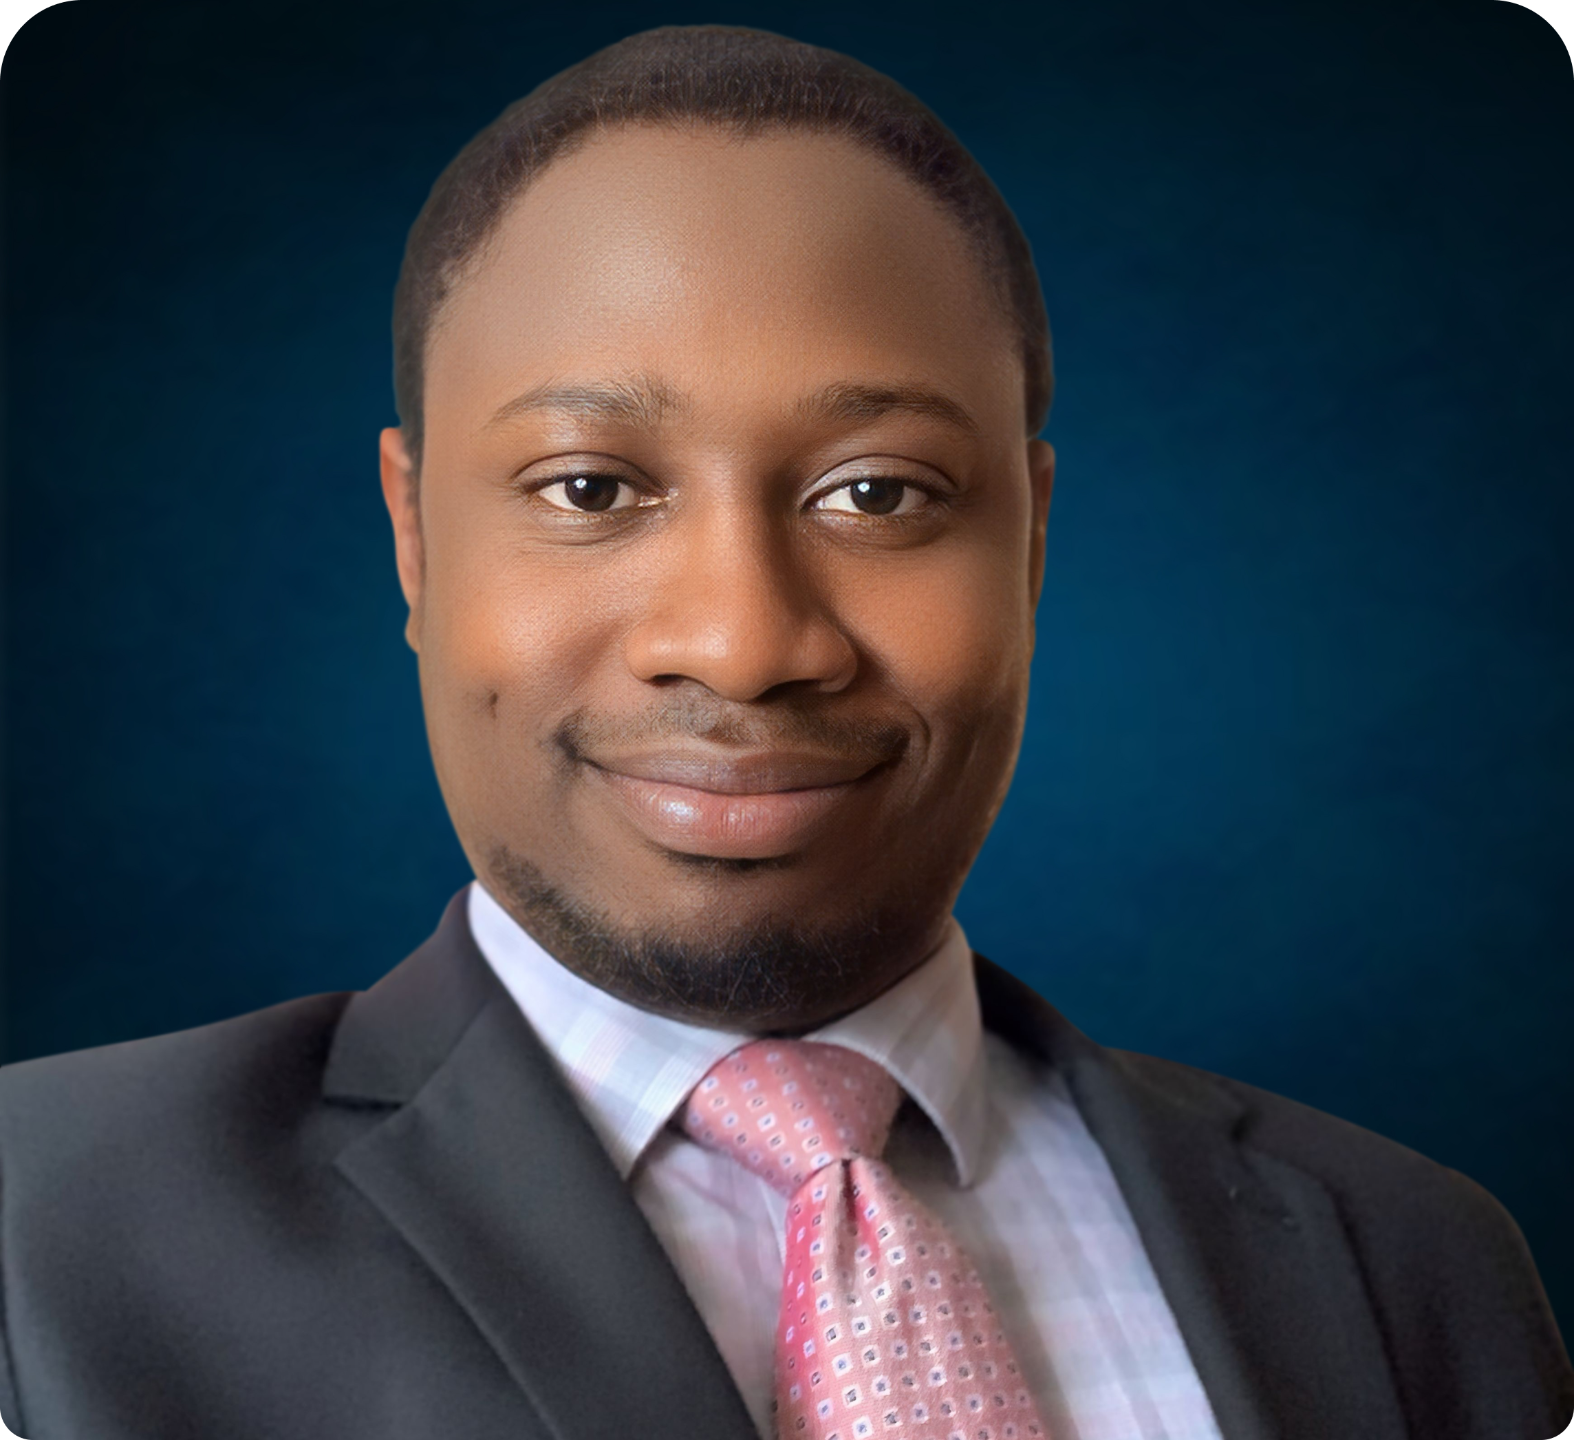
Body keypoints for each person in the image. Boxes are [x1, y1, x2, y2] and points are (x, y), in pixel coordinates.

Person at [0, 24, 1568, 1440]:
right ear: (415, 541)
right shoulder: (35, 1233)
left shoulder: (1412, 1258)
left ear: (1028, 546)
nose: (745, 644)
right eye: (589, 488)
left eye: (876, 493)